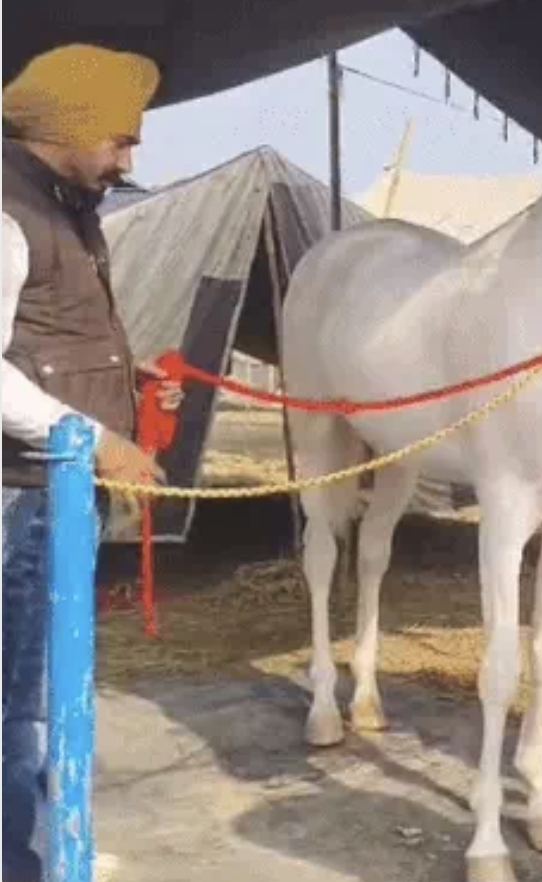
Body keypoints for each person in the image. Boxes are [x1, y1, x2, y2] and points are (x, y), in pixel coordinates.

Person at [2, 44, 183, 882]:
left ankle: (48, 834)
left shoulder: (67, 204)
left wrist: (124, 379)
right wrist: (98, 435)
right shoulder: (8, 209)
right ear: (70, 129)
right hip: (19, 495)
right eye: (118, 139)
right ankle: (26, 859)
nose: (128, 158)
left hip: (56, 490)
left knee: (50, 690)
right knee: (21, 703)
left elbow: (47, 338)